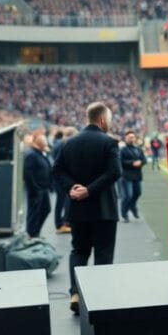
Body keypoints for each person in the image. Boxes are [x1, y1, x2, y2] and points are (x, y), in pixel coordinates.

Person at [52, 102, 122, 315]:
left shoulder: (69, 143)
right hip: (103, 210)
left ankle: (75, 293)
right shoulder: (109, 143)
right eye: (109, 118)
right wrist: (90, 190)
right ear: (102, 119)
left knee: (79, 251)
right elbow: (114, 172)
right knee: (103, 253)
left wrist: (72, 188)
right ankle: (99, 296)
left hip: (78, 209)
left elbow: (56, 170)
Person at [23, 131, 53, 238]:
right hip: (37, 189)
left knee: (45, 210)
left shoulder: (40, 153)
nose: (46, 142)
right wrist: (35, 188)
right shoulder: (31, 154)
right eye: (44, 140)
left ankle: (36, 232)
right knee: (34, 213)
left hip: (43, 188)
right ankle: (32, 234)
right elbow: (28, 173)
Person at [51, 127, 77, 234]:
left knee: (63, 201)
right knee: (61, 202)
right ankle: (60, 224)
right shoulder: (62, 145)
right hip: (61, 179)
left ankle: (64, 222)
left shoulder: (60, 144)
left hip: (60, 178)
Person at [119, 130, 147, 222]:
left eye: (132, 137)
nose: (131, 138)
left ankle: (132, 206)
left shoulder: (138, 149)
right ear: (125, 138)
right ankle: (124, 214)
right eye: (129, 137)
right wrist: (132, 163)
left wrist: (141, 162)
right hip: (126, 176)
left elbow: (144, 160)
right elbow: (120, 162)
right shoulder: (122, 150)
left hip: (137, 175)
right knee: (128, 196)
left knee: (138, 193)